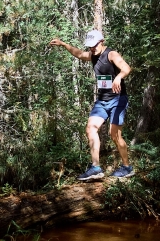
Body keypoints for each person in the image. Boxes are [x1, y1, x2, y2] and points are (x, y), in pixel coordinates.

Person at [50, 29, 134, 180]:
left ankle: (127, 167)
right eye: (90, 46)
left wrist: (119, 77)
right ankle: (96, 168)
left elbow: (126, 68)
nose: (92, 49)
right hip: (102, 100)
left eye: (94, 45)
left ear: (101, 42)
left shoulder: (111, 54)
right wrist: (63, 44)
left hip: (118, 99)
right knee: (90, 129)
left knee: (114, 135)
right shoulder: (92, 55)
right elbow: (78, 53)